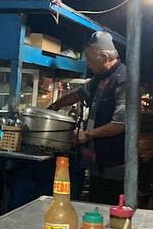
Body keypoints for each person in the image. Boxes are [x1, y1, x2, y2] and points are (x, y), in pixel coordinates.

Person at [49, 31, 126, 204]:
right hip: (96, 161)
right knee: (94, 205)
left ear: (105, 56)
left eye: (91, 60)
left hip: (114, 164)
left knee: (107, 207)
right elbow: (78, 94)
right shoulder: (99, 79)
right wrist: (55, 106)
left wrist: (88, 134)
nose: (88, 65)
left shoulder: (123, 81)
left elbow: (120, 124)